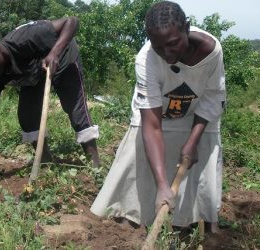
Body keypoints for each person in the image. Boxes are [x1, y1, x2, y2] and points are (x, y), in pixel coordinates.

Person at [91, 1, 226, 232]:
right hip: (156, 111)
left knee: (203, 148)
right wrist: (163, 184)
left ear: (187, 27)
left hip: (199, 111)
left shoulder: (211, 51)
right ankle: (135, 216)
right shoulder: (146, 60)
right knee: (141, 151)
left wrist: (192, 142)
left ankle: (193, 220)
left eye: (173, 44)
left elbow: (212, 98)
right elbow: (152, 127)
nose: (167, 53)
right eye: (158, 46)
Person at [0, 17, 100, 168]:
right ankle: (45, 161)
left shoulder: (26, 37)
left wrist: (55, 52)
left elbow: (72, 22)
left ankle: (95, 165)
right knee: (28, 117)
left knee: (75, 107)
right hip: (36, 70)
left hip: (62, 53)